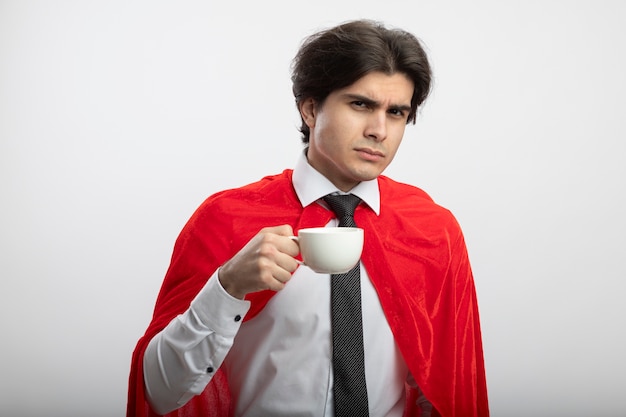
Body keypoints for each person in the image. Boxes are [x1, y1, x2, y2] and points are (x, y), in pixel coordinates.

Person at [127, 19, 489, 417]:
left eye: (397, 112)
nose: (379, 130)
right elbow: (158, 392)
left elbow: (449, 389)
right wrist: (227, 286)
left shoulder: (432, 229)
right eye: (361, 104)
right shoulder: (226, 219)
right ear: (311, 107)